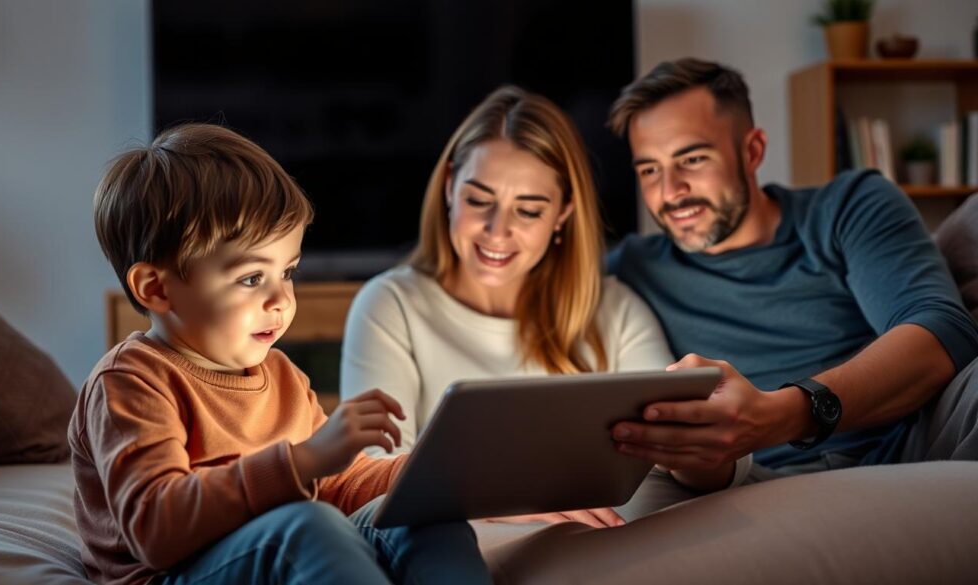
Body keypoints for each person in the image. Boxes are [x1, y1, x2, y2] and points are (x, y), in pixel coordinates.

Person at [69, 124, 492, 585]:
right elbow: (155, 529)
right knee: (307, 527)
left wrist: (438, 472)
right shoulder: (129, 382)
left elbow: (337, 485)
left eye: (287, 272)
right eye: (252, 278)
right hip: (174, 575)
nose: (281, 300)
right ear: (157, 289)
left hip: (276, 551)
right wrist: (305, 460)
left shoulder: (281, 375)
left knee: (424, 518)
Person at [340, 85, 752, 526]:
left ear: (563, 213)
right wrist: (507, 500)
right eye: (478, 201)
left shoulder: (612, 309)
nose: (497, 232)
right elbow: (372, 478)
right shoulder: (391, 305)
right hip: (461, 546)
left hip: (600, 544)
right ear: (448, 187)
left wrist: (700, 450)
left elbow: (688, 461)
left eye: (529, 211)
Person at [605, 58, 978, 483]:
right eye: (650, 170)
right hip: (753, 481)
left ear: (752, 151)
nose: (670, 192)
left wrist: (783, 413)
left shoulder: (848, 206)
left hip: (909, 446)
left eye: (691, 159)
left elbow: (944, 331)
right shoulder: (632, 267)